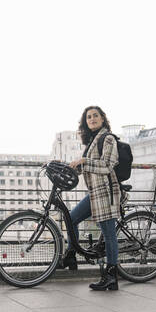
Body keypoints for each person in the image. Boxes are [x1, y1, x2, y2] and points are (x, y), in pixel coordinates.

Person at [59, 105, 121, 291]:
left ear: (103, 119)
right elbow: (89, 167)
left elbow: (107, 166)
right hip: (94, 192)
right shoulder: (92, 141)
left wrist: (85, 161)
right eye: (88, 117)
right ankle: (71, 254)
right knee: (71, 218)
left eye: (95, 116)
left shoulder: (108, 138)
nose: (92, 119)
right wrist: (73, 166)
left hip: (106, 192)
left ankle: (111, 277)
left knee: (109, 235)